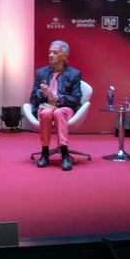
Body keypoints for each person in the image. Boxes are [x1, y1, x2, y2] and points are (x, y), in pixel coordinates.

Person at [28, 40, 83, 171]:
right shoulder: (41, 73)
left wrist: (58, 99)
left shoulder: (74, 74)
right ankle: (45, 152)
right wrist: (43, 93)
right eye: (50, 52)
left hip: (64, 107)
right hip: (46, 106)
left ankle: (64, 153)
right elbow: (32, 98)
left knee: (59, 113)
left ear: (65, 55)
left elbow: (76, 98)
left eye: (55, 52)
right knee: (46, 113)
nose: (51, 55)